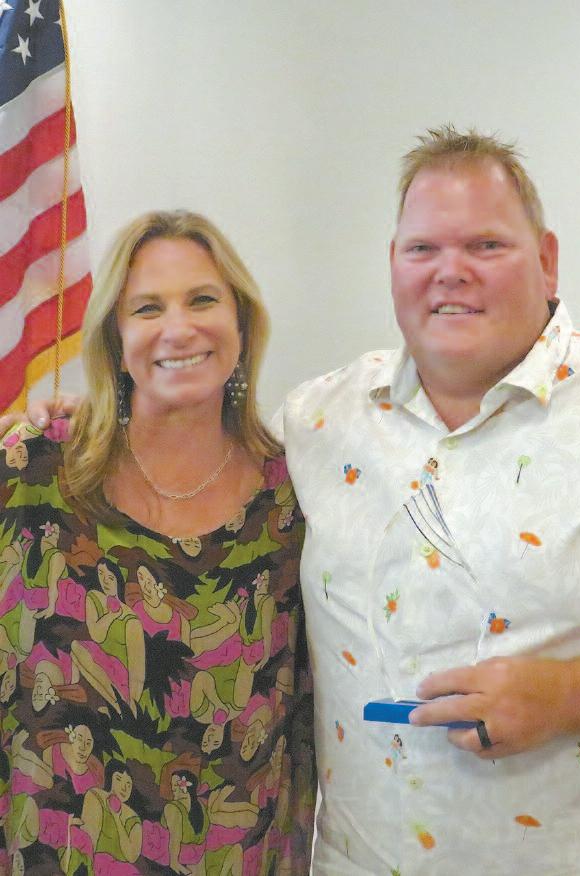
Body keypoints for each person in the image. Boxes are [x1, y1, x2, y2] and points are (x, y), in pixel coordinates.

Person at [7, 126, 580, 874]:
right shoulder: (319, 425)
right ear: (393, 264)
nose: (451, 272)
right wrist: (75, 427)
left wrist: (569, 696)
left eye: (485, 246)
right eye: (423, 249)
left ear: (546, 259)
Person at [0, 211, 315, 874]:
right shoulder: (35, 473)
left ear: (241, 324)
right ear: (115, 339)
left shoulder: (295, 500)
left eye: (202, 299)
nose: (178, 328)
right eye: (147, 308)